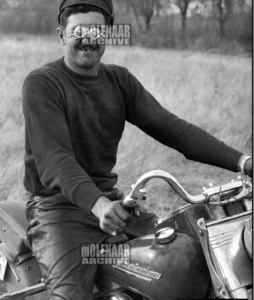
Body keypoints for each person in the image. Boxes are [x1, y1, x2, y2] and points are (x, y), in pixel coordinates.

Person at [22, 0, 252, 299]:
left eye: (97, 30)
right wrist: (98, 205)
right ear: (61, 35)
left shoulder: (119, 81)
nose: (88, 38)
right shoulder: (43, 84)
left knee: (186, 256)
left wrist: (243, 162)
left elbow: (174, 129)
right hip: (59, 209)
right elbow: (55, 160)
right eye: (79, 30)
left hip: (111, 204)